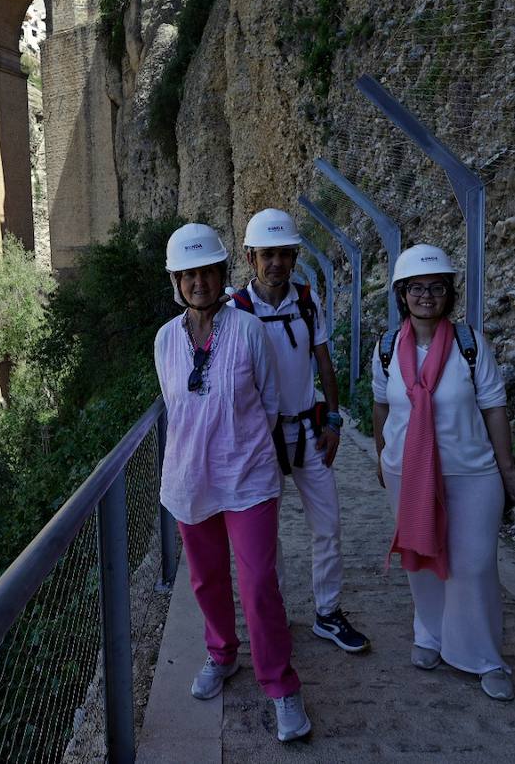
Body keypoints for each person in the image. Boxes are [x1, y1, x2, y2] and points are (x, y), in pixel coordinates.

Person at [154, 222, 312, 742]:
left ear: (224, 274)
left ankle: (280, 684)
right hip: (189, 479)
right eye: (189, 273)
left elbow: (268, 403)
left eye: (208, 271)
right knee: (205, 580)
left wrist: (236, 443)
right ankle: (222, 654)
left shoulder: (249, 330)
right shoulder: (164, 341)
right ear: (176, 281)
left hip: (247, 477)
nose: (199, 281)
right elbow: (178, 407)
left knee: (259, 584)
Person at [371, 244, 515, 701]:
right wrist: (383, 456)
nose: (426, 295)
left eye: (436, 287)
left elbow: (494, 408)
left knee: (474, 564)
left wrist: (507, 467)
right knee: (420, 556)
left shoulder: (471, 344)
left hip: (471, 471)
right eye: (416, 288)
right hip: (408, 470)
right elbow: (382, 406)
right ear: (402, 294)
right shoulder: (386, 349)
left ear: (448, 293)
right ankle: (430, 635)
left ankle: (483, 656)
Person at [229, 208, 369, 653]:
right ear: (251, 258)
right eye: (267, 255)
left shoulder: (306, 303)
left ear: (294, 257)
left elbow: (324, 361)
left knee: (327, 524)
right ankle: (277, 616)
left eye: (284, 255)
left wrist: (333, 419)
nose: (276, 264)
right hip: (261, 440)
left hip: (308, 430)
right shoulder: (236, 312)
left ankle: (327, 613)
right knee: (267, 538)